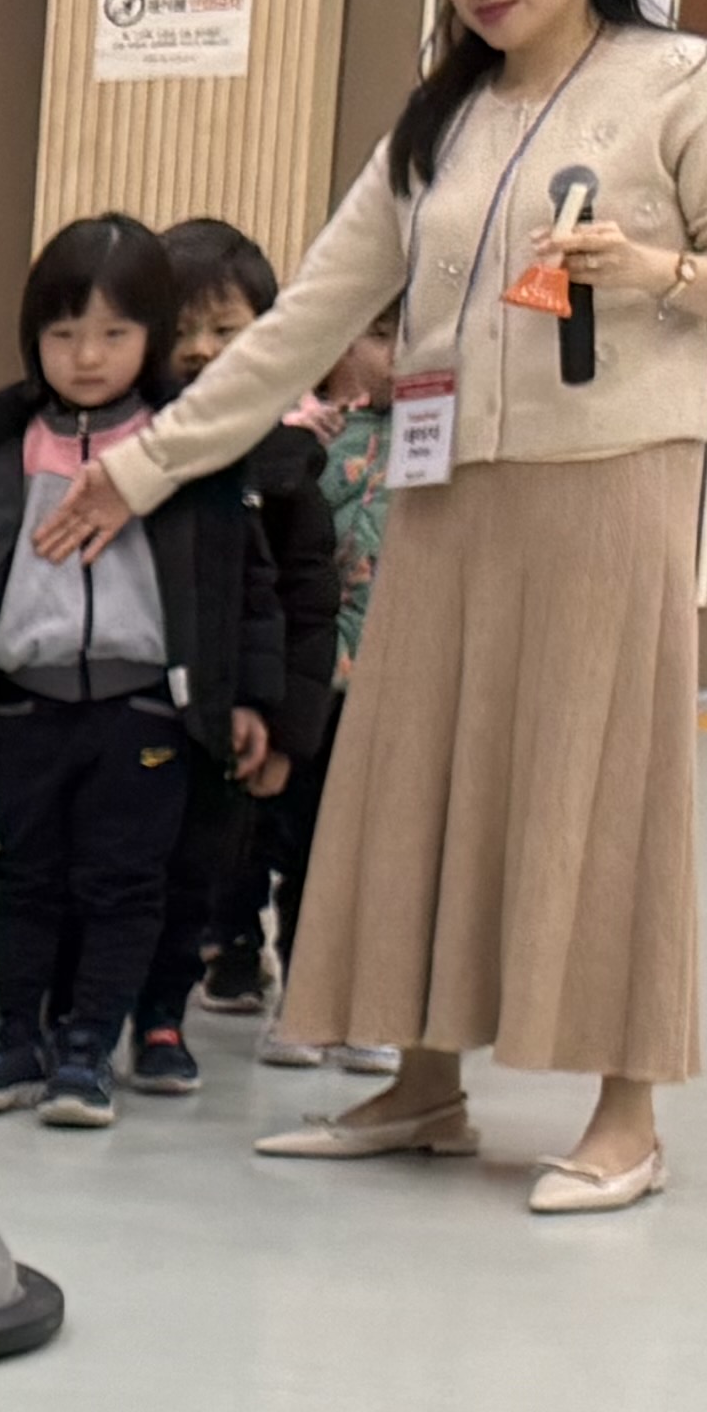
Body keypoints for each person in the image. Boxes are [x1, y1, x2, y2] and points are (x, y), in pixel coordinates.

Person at [47, 0, 707, 1213]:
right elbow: (308, 316)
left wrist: (663, 270)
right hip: (444, 490)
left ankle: (625, 1114)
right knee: (418, 776)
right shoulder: (438, 121)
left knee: (600, 778)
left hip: (612, 479)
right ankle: (424, 1083)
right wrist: (145, 461)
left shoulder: (690, 84)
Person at [0, 215, 278, 1125]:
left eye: (113, 334)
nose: (87, 357)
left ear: (152, 335)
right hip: (28, 709)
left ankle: (87, 1047)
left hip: (144, 710)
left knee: (125, 882)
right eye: (63, 335)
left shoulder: (187, 447)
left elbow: (242, 584)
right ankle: (13, 1038)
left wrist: (250, 695)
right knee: (22, 877)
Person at [131, 217, 331, 1088]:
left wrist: (287, 725)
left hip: (249, 706)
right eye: (179, 332)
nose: (201, 351)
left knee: (256, 842)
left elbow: (304, 602)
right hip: (142, 706)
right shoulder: (130, 450)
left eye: (225, 331)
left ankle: (229, 968)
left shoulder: (288, 462)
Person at [264, 324, 407, 1074]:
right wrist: (297, 443)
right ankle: (303, 1002)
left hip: (403, 679)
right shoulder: (305, 431)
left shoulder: (437, 434)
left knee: (389, 853)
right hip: (324, 678)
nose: (399, 356)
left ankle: (376, 1009)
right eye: (381, 337)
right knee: (310, 848)